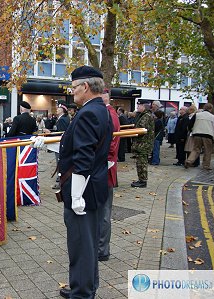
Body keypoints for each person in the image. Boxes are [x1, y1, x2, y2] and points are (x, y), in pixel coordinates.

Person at [33, 66, 112, 299]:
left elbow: (83, 158)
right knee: (85, 244)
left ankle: (82, 292)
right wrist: (46, 143)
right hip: (92, 187)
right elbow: (76, 144)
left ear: (85, 87)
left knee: (81, 245)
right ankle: (85, 286)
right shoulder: (99, 110)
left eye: (74, 87)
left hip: (84, 191)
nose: (73, 92)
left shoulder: (88, 113)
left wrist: (76, 196)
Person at [98, 89, 120, 262]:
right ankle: (100, 247)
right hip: (105, 167)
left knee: (104, 211)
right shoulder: (108, 113)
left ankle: (102, 249)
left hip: (105, 168)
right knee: (102, 210)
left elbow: (110, 146)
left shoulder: (108, 114)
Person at [185, 103, 214, 170]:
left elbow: (190, 124)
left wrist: (191, 130)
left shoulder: (197, 115)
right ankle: (206, 165)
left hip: (197, 134)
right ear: (210, 109)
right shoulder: (213, 117)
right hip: (208, 135)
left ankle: (189, 161)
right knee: (207, 150)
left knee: (196, 149)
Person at [131, 100, 155, 188]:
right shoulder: (144, 115)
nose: (137, 108)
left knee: (142, 163)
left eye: (139, 106)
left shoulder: (146, 116)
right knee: (140, 162)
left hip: (143, 144)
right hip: (142, 143)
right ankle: (141, 179)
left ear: (143, 107)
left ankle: (143, 181)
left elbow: (140, 128)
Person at [50, 101, 70, 189]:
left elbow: (60, 133)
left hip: (60, 144)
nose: (57, 109)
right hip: (61, 144)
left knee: (60, 163)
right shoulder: (65, 118)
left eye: (58, 108)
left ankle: (60, 182)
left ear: (63, 109)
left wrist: (50, 132)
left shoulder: (62, 119)